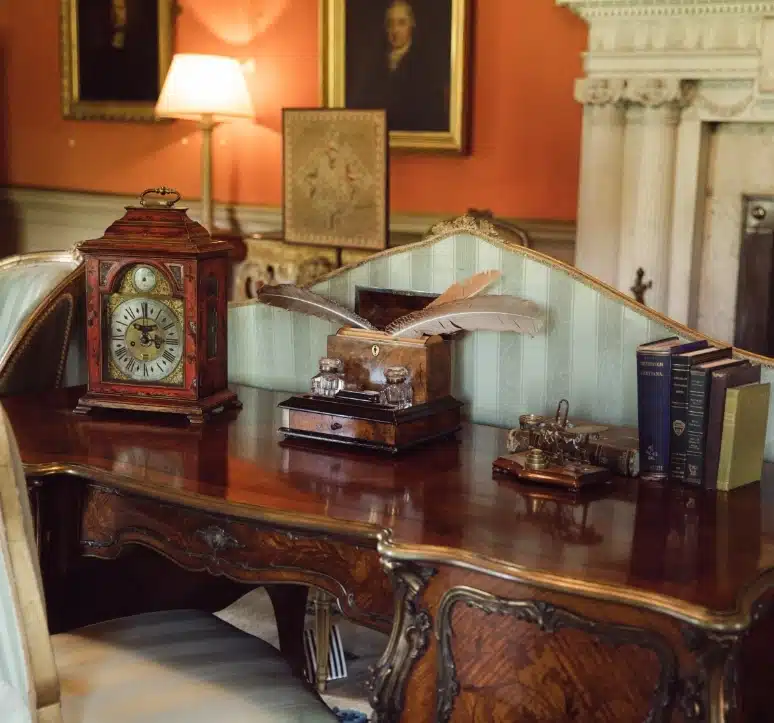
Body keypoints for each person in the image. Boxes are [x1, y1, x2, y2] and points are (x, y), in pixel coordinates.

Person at [349, 0, 449, 132]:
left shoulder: (425, 64)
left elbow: (432, 113)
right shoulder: (374, 63)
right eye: (390, 24)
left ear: (411, 25)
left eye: (401, 23)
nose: (395, 30)